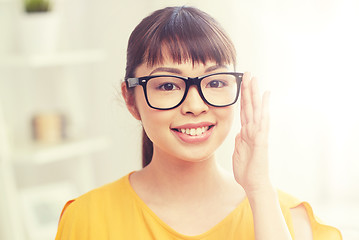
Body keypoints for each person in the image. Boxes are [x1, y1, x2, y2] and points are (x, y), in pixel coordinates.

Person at [55, 6, 342, 240]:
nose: (195, 106)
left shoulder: (291, 219)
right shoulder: (86, 219)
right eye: (168, 86)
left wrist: (259, 190)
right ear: (131, 100)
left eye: (215, 81)